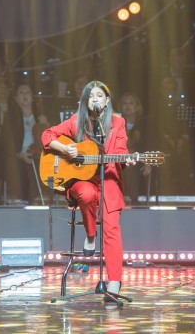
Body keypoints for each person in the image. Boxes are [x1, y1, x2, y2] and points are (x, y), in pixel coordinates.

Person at [41, 80, 136, 301]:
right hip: (82, 179)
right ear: (85, 101)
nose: (95, 99)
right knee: (86, 194)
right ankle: (91, 235)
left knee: (112, 228)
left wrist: (126, 159)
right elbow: (47, 135)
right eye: (91, 96)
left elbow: (120, 150)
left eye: (99, 96)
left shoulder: (118, 123)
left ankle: (114, 283)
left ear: (107, 101)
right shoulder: (77, 122)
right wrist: (65, 149)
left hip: (108, 178)